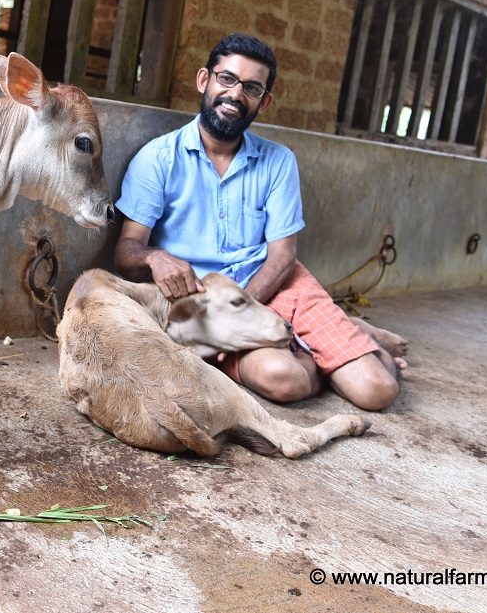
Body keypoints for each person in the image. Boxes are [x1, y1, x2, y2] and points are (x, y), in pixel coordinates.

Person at [113, 33, 406, 411]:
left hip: (277, 284)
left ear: (264, 101)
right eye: (227, 79)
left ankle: (358, 346)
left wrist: (247, 311)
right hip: (207, 306)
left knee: (377, 391)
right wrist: (154, 258)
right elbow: (126, 252)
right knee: (283, 380)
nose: (235, 95)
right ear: (205, 80)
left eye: (251, 87)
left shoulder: (278, 161)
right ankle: (334, 341)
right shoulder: (157, 159)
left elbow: (282, 258)